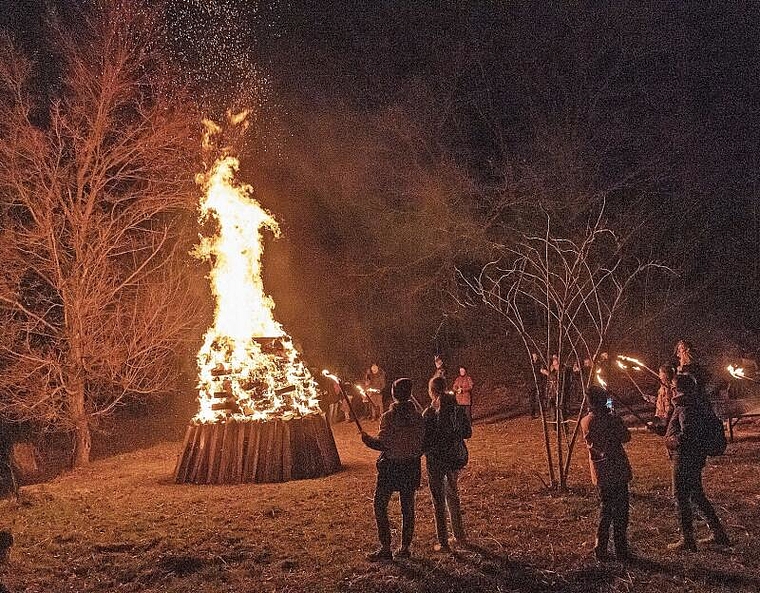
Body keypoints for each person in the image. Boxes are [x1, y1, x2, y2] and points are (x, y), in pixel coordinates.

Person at [361, 378, 426, 561]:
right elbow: (422, 442)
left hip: (391, 468)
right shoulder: (418, 416)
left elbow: (383, 444)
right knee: (407, 508)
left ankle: (386, 547)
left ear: (393, 394)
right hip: (411, 466)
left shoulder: (389, 417)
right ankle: (404, 547)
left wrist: (367, 440)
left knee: (380, 505)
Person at [665, 374, 731, 551]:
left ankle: (687, 539)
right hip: (692, 457)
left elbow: (688, 435)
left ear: (679, 388)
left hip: (685, 458)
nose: (671, 388)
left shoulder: (686, 406)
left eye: (673, 386)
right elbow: (680, 429)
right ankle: (718, 533)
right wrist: (662, 431)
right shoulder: (690, 402)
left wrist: (670, 440)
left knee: (681, 497)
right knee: (696, 495)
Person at [580, 385, 633, 562]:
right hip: (616, 469)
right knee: (620, 511)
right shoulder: (610, 420)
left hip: (601, 472)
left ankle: (600, 546)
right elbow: (626, 437)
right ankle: (621, 548)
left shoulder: (586, 421)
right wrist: (616, 419)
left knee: (606, 509)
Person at [423, 376, 472, 552]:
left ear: (432, 391)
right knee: (453, 496)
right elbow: (468, 432)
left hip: (436, 461)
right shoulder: (457, 409)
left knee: (438, 501)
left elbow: (423, 440)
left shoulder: (429, 413)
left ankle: (443, 542)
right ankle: (459, 536)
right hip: (453, 458)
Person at [645, 364, 676, 435]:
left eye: (660, 372)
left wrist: (664, 420)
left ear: (665, 374)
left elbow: (669, 405)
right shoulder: (662, 387)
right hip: (662, 417)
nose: (659, 375)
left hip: (668, 419)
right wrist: (651, 399)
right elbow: (661, 402)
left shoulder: (671, 388)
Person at [530, 353, 545, 418]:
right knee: (532, 399)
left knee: (540, 398)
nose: (535, 358)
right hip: (532, 384)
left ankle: (540, 412)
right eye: (534, 357)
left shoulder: (540, 364)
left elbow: (542, 373)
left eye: (536, 357)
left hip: (539, 383)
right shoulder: (530, 365)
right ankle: (532, 414)